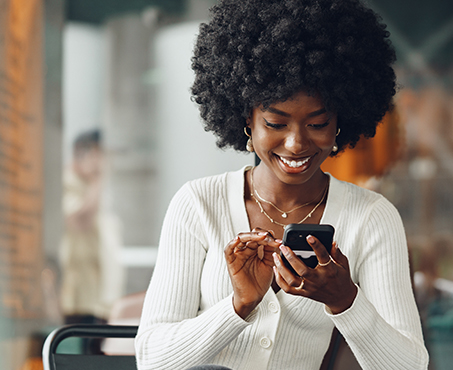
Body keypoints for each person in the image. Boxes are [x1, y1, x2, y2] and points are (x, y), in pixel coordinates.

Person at [135, 0, 429, 369]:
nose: (296, 144)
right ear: (248, 119)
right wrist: (238, 305)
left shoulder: (371, 217)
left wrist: (345, 300)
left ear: (341, 122)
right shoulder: (198, 204)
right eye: (276, 123)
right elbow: (152, 359)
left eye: (317, 124)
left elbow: (409, 366)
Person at [59, 130, 124, 330]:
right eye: (99, 155)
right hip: (78, 293)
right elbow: (80, 221)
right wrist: (97, 180)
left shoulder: (94, 187)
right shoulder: (68, 182)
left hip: (97, 292)